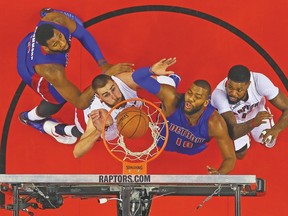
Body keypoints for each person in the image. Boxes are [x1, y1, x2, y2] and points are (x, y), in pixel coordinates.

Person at [17, 9, 133, 144]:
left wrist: (103, 64)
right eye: (56, 44)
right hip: (30, 69)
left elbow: (83, 35)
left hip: (32, 43)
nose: (63, 43)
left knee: (73, 27)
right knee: (57, 98)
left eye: (60, 36)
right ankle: (31, 118)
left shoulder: (55, 19)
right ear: (47, 49)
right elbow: (80, 102)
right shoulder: (51, 71)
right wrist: (105, 75)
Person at [132, 58, 236, 174]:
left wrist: (219, 174)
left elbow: (230, 158)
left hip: (192, 150)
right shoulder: (173, 100)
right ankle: (171, 81)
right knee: (168, 93)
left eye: (197, 97)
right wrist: (151, 70)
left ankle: (172, 81)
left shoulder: (214, 123)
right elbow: (137, 77)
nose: (190, 98)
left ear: (206, 103)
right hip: (163, 139)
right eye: (189, 93)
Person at [73, 71, 181, 158]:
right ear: (99, 97)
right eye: (106, 95)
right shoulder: (97, 114)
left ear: (115, 83)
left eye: (113, 89)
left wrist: (169, 83)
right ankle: (61, 130)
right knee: (79, 132)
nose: (114, 97)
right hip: (84, 121)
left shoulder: (125, 80)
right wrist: (100, 129)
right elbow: (77, 153)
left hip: (126, 114)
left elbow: (167, 82)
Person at [211, 65, 288, 159]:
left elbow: (287, 108)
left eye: (239, 90)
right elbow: (233, 131)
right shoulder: (219, 94)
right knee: (240, 155)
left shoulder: (259, 82)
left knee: (267, 140)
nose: (233, 93)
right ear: (228, 80)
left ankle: (265, 116)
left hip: (256, 114)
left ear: (248, 85)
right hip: (235, 121)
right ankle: (247, 133)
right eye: (230, 87)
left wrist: (276, 129)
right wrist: (252, 123)